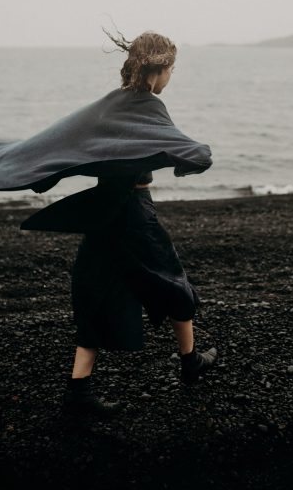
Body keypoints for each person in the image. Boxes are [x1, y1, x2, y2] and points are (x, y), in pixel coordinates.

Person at [62, 30, 218, 416]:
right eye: (172, 69)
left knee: (94, 289)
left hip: (103, 212)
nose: (171, 78)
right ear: (159, 68)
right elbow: (184, 149)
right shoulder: (149, 106)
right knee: (173, 281)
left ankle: (79, 392)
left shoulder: (109, 104)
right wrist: (198, 154)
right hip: (132, 211)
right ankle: (190, 362)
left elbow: (76, 140)